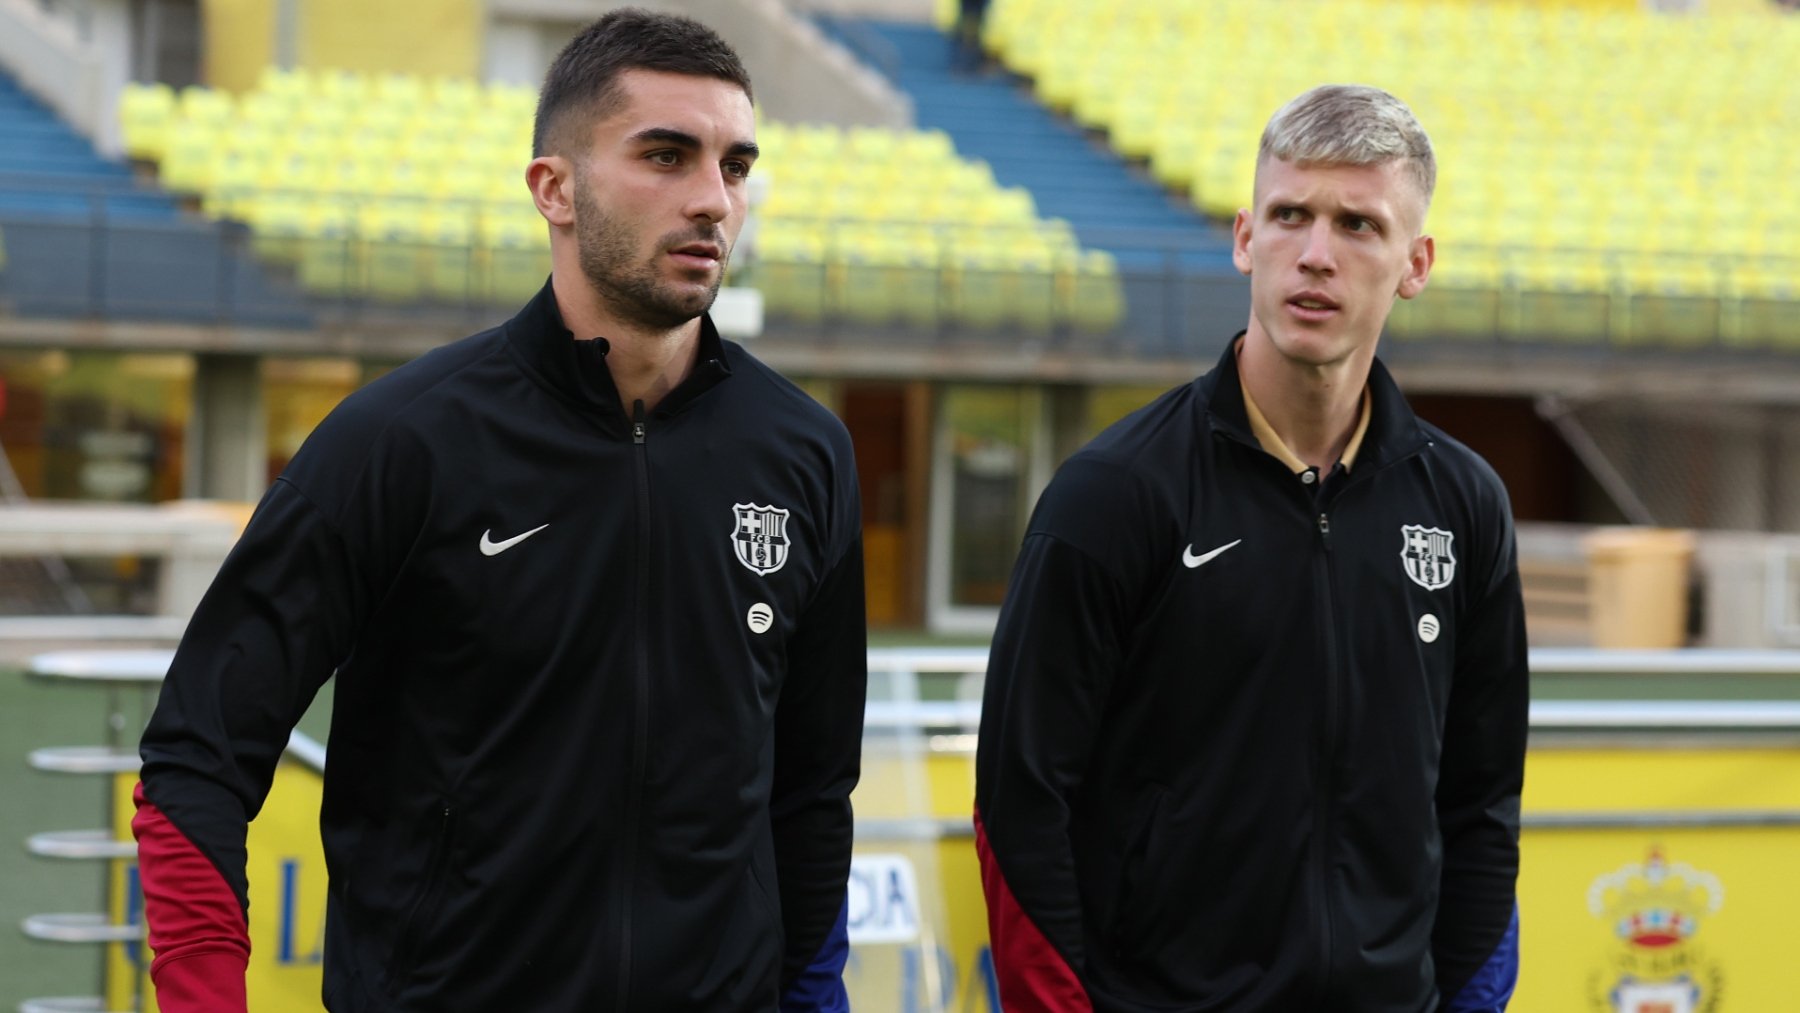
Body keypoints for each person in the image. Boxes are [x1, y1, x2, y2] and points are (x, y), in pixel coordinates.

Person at [132, 9, 868, 1010]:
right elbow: (198, 748)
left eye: (734, 166)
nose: (712, 199)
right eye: (666, 155)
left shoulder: (805, 451)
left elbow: (812, 792)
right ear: (553, 188)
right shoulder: (402, 439)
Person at [973, 84, 1527, 1012]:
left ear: (1415, 263)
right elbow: (1022, 801)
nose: (1316, 253)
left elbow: (1481, 806)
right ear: (1244, 238)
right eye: (1290, 215)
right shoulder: (1115, 492)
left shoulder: (1465, 505)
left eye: (1358, 224)